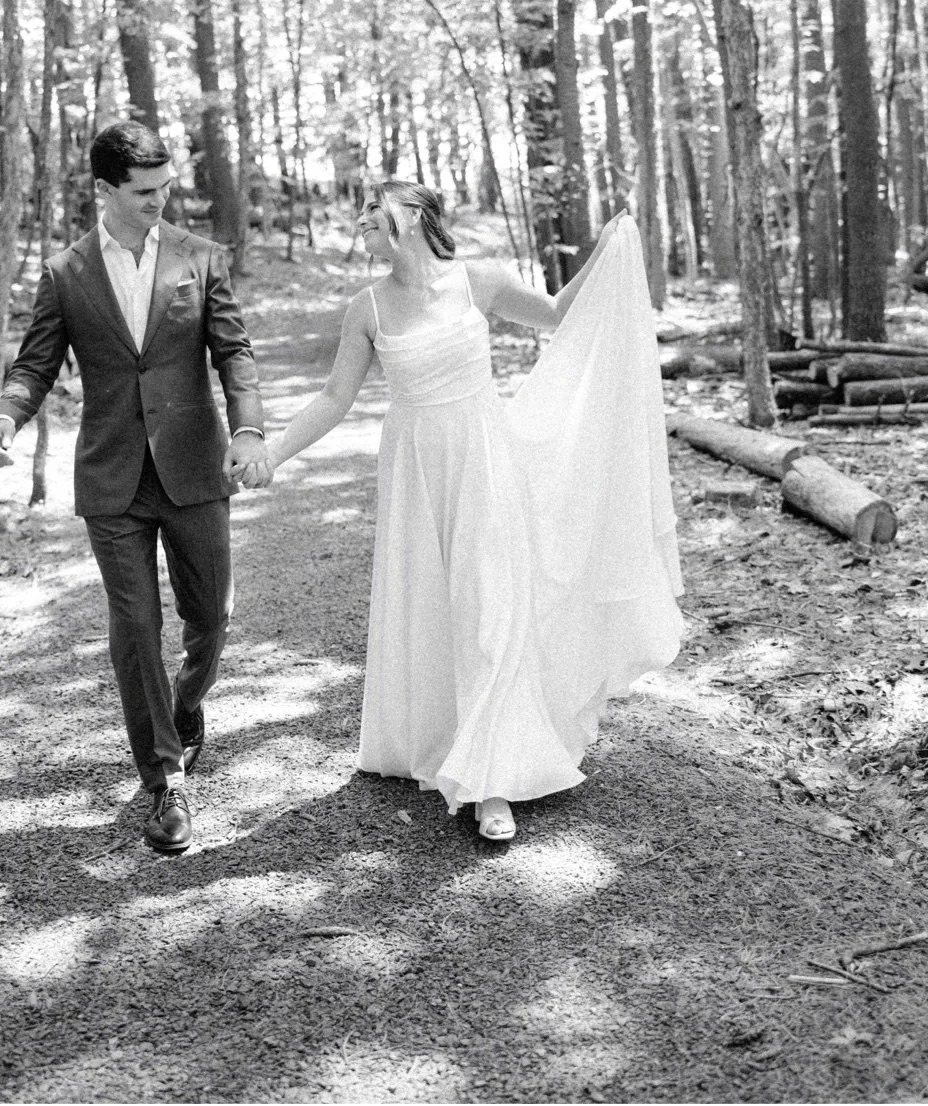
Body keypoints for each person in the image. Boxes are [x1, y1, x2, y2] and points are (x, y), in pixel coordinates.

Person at [260, 182, 682, 841]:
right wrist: (274, 453)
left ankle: (493, 782)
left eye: (379, 208)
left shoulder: (479, 281)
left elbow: (557, 314)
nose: (364, 217)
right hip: (417, 476)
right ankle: (436, 739)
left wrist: (606, 250)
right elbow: (334, 398)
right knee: (437, 611)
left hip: (486, 466)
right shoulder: (366, 308)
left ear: (420, 219)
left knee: (491, 610)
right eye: (363, 212)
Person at [0, 119, 268, 854]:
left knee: (212, 616)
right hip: (113, 478)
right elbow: (34, 363)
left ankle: (186, 706)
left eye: (166, 187)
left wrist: (248, 431)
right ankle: (166, 781)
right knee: (135, 627)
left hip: (196, 467)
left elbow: (234, 354)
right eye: (144, 191)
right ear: (104, 189)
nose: (160, 201)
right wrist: (7, 417)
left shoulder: (201, 258)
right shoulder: (66, 272)